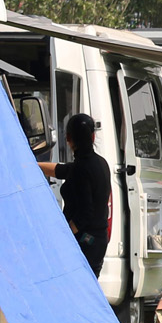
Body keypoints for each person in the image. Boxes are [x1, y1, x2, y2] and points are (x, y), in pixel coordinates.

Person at [39, 113, 111, 271]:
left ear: (68, 138)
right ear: (92, 137)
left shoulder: (82, 168)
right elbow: (62, 170)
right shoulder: (100, 163)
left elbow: (83, 215)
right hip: (98, 240)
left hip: (85, 241)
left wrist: (62, 238)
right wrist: (33, 165)